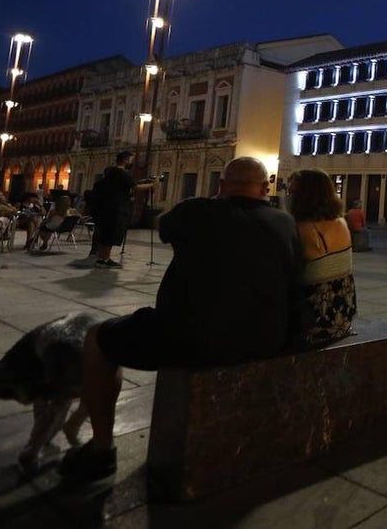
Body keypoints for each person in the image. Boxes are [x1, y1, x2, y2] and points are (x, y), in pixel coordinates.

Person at [59, 157, 301, 482]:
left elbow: (162, 225)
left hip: (190, 337)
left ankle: (102, 450)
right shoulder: (285, 222)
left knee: (98, 339)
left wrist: (212, 206)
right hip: (266, 338)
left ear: (220, 187)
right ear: (266, 188)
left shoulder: (197, 211)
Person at [286, 169, 356, 348]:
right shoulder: (341, 222)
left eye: (292, 192)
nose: (288, 196)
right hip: (342, 315)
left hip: (314, 320)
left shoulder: (303, 229)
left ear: (304, 195)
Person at [88, 151, 151, 268]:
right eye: (131, 160)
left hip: (105, 209)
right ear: (125, 160)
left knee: (104, 235)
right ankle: (105, 259)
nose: (131, 162)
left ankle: (101, 258)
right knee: (111, 235)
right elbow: (136, 187)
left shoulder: (110, 172)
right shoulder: (122, 173)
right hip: (116, 209)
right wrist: (152, 185)